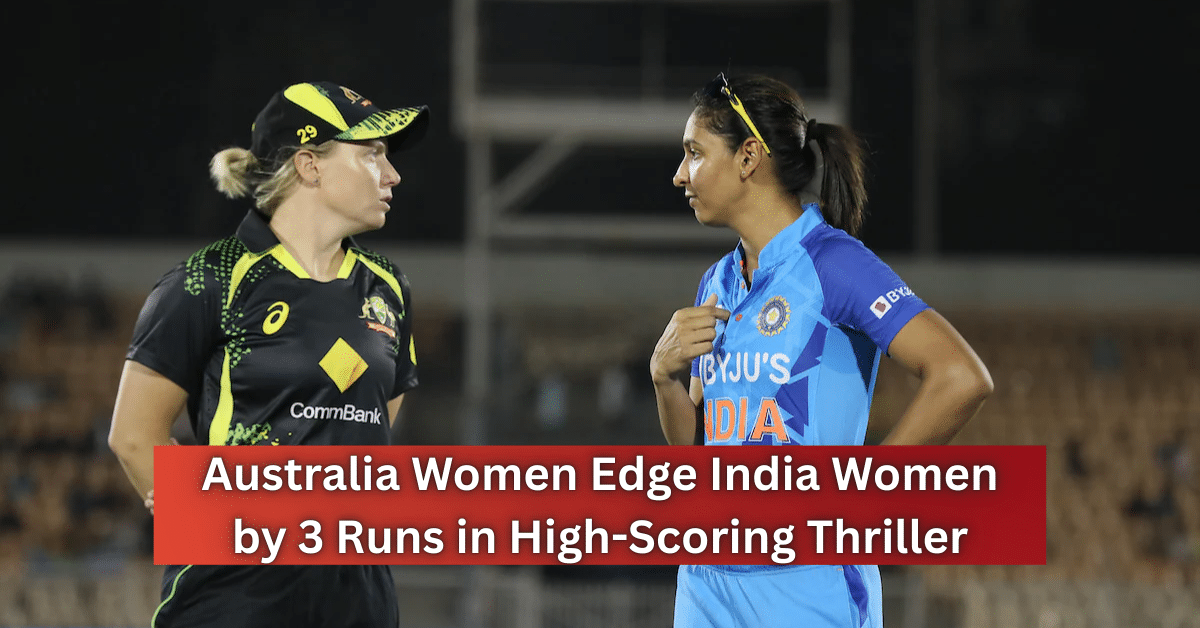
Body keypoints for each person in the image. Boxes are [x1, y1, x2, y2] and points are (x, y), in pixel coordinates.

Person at [650, 73, 993, 628]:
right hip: (706, 582)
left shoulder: (831, 263)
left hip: (806, 585)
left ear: (748, 157)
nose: (679, 174)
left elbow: (961, 377)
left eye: (694, 153)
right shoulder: (715, 283)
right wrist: (664, 378)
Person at [108, 81, 429, 628]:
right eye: (372, 154)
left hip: (360, 602)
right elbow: (134, 435)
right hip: (232, 602)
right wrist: (213, 524)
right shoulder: (209, 278)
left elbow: (376, 428)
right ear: (310, 165)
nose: (392, 174)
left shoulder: (387, 287)